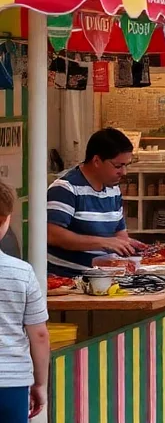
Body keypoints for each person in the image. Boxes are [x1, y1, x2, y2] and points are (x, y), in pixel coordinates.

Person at [46, 128, 144, 276]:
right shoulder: (66, 188)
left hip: (105, 276)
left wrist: (126, 244)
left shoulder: (113, 189)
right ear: (97, 161)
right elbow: (52, 234)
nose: (124, 172)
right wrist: (103, 242)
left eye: (126, 165)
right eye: (118, 166)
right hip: (67, 279)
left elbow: (119, 232)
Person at [0, 181, 48, 422]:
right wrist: (40, 383)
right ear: (6, 220)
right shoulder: (22, 272)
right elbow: (39, 334)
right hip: (12, 383)